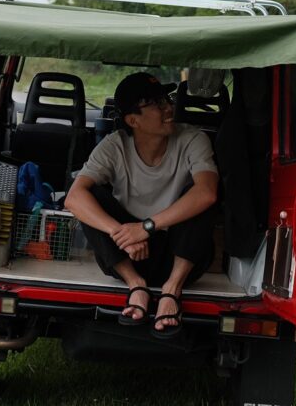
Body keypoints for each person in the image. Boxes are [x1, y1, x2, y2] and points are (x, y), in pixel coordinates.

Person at [64, 72, 218, 337]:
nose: (169, 107)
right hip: (127, 256)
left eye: (166, 100)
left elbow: (207, 193)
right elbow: (73, 198)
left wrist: (146, 227)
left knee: (201, 194)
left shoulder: (192, 139)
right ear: (132, 120)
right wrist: (121, 233)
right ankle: (136, 286)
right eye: (156, 104)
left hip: (180, 256)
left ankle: (172, 290)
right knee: (89, 193)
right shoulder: (115, 146)